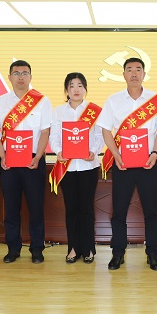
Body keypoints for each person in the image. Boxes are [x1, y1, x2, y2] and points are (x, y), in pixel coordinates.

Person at [97, 57, 157, 271]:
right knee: (119, 210)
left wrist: (155, 153)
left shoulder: (155, 101)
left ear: (144, 74)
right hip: (123, 164)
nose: (134, 73)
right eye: (129, 69)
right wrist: (115, 154)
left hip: (148, 162)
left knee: (151, 211)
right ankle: (118, 253)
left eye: (138, 69)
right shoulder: (113, 100)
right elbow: (105, 129)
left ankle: (153, 253)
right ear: (123, 75)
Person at [0, 60, 52, 264]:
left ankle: (37, 248)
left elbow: (45, 132)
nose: (21, 77)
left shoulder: (42, 101)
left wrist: (38, 156)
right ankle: (13, 248)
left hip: (33, 160)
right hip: (9, 161)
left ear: (31, 77)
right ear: (9, 77)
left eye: (25, 73)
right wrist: (2, 156)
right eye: (16, 73)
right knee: (11, 209)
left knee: (36, 208)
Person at [49, 72, 104, 264]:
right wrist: (58, 151)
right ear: (66, 90)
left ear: (85, 89)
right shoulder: (58, 112)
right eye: (71, 85)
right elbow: (54, 136)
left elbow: (99, 136)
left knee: (86, 209)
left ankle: (88, 248)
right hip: (68, 168)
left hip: (88, 166)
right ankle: (73, 248)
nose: (76, 89)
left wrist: (93, 151)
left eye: (80, 85)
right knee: (71, 209)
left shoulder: (94, 110)